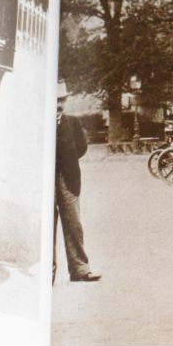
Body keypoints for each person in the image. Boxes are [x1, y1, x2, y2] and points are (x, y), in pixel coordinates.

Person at [55, 84, 99, 282]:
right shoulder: (40, 123)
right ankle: (49, 272)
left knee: (74, 224)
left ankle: (80, 269)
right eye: (55, 100)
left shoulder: (72, 123)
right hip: (48, 179)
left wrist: (68, 160)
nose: (59, 105)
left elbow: (81, 148)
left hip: (69, 180)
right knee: (48, 224)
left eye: (62, 100)